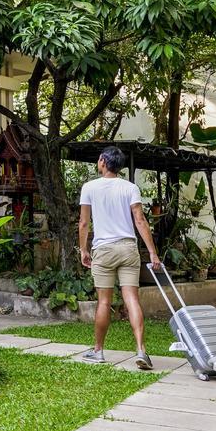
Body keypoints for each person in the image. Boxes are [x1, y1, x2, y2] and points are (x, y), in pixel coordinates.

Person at [77, 145, 162, 370]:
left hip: (103, 250)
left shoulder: (89, 187)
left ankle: (98, 351)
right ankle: (141, 350)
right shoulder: (130, 188)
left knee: (104, 301)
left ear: (104, 161)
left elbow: (84, 223)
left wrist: (83, 250)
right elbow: (140, 220)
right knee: (131, 299)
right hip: (128, 248)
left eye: (99, 159)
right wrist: (152, 252)